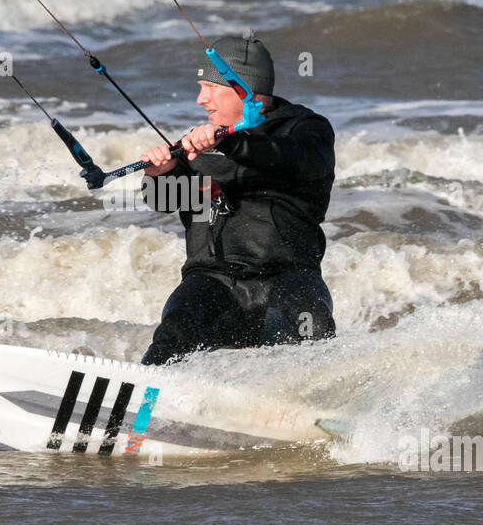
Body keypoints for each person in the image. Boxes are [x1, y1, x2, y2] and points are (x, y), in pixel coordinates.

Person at [138, 34, 336, 365]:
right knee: (176, 327)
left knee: (308, 325)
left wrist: (228, 143)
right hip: (212, 282)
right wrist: (161, 173)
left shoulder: (305, 131)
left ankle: (312, 408)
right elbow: (167, 201)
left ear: (242, 88)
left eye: (210, 88)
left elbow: (290, 160)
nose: (201, 99)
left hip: (287, 280)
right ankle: (141, 408)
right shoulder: (194, 147)